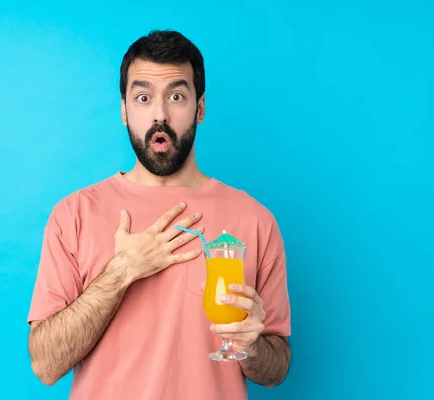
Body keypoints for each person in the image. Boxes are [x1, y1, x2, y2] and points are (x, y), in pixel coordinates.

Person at [26, 29, 292, 400]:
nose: (159, 115)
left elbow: (276, 369)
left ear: (199, 108)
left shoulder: (255, 220)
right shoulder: (74, 214)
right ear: (124, 110)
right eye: (143, 97)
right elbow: (45, 365)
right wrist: (121, 272)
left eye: (177, 96)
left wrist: (252, 345)